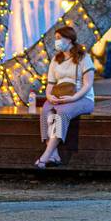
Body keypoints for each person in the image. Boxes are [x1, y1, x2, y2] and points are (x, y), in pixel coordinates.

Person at [35, 25, 96, 169]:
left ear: (69, 39)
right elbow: (50, 83)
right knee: (46, 111)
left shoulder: (83, 57)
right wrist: (49, 96)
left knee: (62, 112)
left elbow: (88, 84)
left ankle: (45, 156)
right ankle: (55, 154)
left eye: (58, 38)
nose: (56, 42)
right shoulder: (56, 59)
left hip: (82, 98)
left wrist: (73, 98)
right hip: (59, 96)